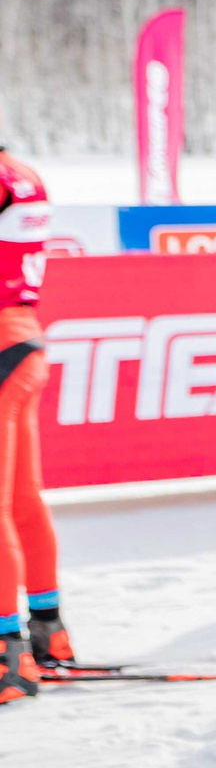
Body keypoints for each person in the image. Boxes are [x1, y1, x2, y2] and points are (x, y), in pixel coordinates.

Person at [0, 130, 61, 705]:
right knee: (22, 498)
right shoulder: (21, 170)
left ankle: (8, 655)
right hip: (23, 334)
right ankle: (48, 632)